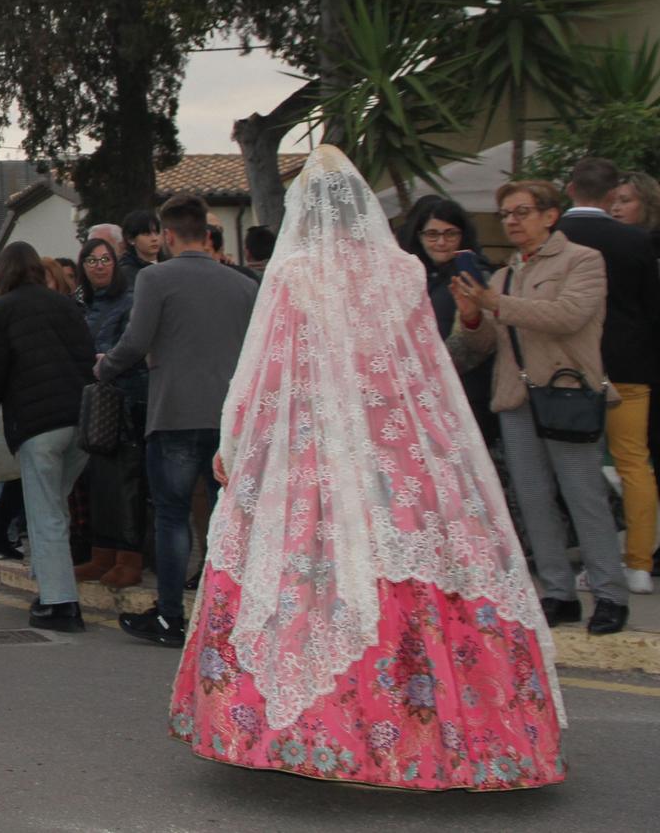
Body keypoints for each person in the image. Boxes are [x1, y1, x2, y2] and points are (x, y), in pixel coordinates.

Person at [172, 146, 563, 790]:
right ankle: (455, 732)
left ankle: (320, 732)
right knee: (418, 571)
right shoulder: (403, 271)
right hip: (400, 454)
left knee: (305, 577)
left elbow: (267, 373)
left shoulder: (296, 273)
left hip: (316, 458)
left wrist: (237, 443)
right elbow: (427, 369)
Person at [453, 180, 630, 635]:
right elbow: (483, 344)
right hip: (517, 398)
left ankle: (610, 595)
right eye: (507, 214)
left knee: (584, 497)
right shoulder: (503, 274)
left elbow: (568, 316)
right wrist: (472, 315)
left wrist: (497, 304)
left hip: (567, 393)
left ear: (551, 215)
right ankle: (558, 592)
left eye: (522, 211)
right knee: (533, 500)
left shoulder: (583, 261)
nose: (512, 221)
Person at [97, 193, 260, 648]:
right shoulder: (245, 285)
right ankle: (231, 613)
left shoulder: (155, 278)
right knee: (227, 517)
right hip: (229, 419)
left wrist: (104, 367)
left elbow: (135, 340)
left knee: (171, 516)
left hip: (173, 413)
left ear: (167, 235)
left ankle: (170, 616)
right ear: (208, 234)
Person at [0, 242, 94, 631]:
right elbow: (86, 357)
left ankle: (61, 604)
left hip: (37, 425)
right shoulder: (65, 305)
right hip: (81, 422)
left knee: (44, 515)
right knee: (55, 507)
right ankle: (49, 589)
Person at [556, 157, 659, 595]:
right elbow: (652, 310)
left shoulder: (553, 237)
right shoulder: (637, 241)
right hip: (630, 366)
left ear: (570, 189)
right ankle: (638, 564)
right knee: (635, 464)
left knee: (577, 470)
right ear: (610, 192)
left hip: (569, 370)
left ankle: (598, 564)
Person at [72, 236, 147, 589]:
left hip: (126, 401)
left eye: (105, 260)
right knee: (96, 483)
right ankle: (101, 554)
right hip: (91, 403)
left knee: (126, 484)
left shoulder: (131, 301)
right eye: (92, 261)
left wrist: (105, 359)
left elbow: (132, 346)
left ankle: (129, 558)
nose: (99, 266)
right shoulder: (80, 304)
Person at [398, 195, 497, 441]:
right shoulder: (407, 277)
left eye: (450, 234)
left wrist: (425, 369)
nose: (441, 242)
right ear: (418, 236)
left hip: (466, 396)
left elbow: (479, 345)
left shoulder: (476, 276)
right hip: (417, 398)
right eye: (432, 234)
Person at [120, 209, 164, 281]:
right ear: (131, 239)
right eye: (146, 234)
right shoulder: (126, 272)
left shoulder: (170, 262)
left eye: (156, 233)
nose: (154, 238)